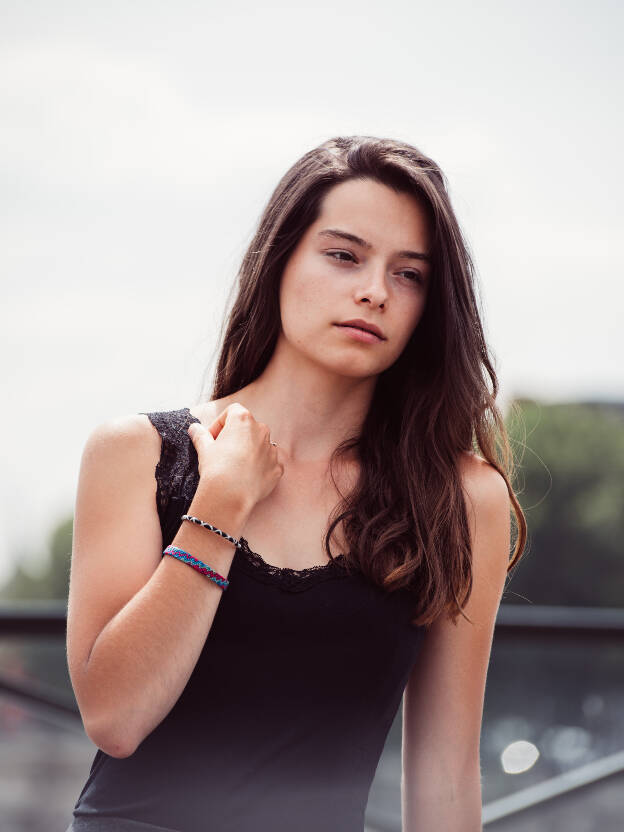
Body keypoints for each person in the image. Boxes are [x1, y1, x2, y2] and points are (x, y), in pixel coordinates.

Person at [65, 135, 527, 832]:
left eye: (410, 275)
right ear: (279, 261)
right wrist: (219, 505)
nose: (374, 290)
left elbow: (444, 776)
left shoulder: (461, 500)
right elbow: (115, 718)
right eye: (344, 256)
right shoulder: (136, 454)